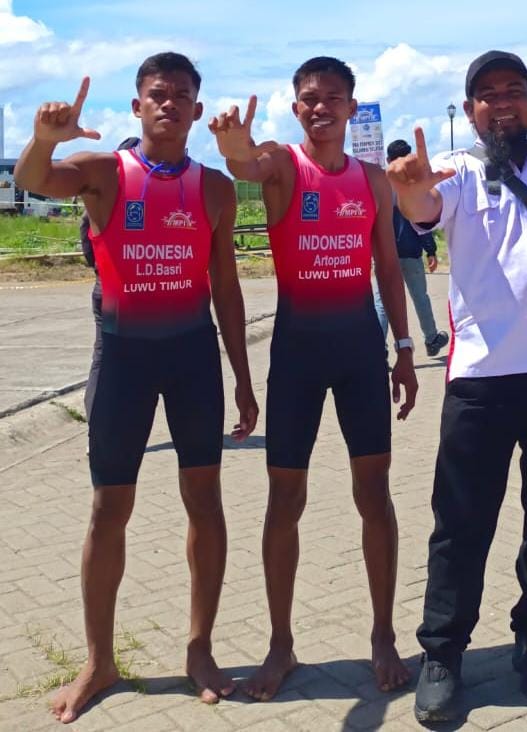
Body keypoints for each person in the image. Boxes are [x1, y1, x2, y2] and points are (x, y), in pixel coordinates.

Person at [14, 52, 259, 723]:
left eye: (181, 95)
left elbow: (227, 289)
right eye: (157, 93)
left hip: (192, 358)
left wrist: (243, 379)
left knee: (205, 502)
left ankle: (200, 649)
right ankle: (99, 660)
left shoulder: (215, 189)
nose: (168, 103)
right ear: (137, 106)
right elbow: (35, 180)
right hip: (122, 359)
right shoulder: (103, 172)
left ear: (197, 111)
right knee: (108, 509)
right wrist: (43, 138)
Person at [387, 50, 527, 722]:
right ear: (471, 109)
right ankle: (443, 653)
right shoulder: (456, 173)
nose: (500, 102)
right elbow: (423, 207)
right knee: (461, 521)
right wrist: (408, 191)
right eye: (486, 94)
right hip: (481, 376)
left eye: (513, 91)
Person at [209, 56, 418, 698]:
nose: (320, 106)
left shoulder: (372, 180)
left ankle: (383, 633)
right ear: (295, 106)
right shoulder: (281, 163)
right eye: (308, 98)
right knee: (285, 499)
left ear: (351, 106)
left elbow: (389, 268)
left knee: (374, 493)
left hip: (360, 350)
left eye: (332, 97)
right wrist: (233, 147)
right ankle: (281, 644)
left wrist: (404, 348)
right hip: (297, 352)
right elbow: (246, 166)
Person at [371, 139, 449, 357]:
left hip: (385, 253)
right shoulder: (415, 183)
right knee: (420, 297)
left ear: (388, 159)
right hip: (411, 251)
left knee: (382, 301)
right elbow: (423, 221)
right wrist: (431, 250)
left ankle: (378, 349)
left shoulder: (380, 184)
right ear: (409, 157)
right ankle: (431, 338)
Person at [80, 136, 139, 420]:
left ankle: (99, 422)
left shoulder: (99, 195)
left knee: (103, 357)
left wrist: (98, 267)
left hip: (105, 286)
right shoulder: (138, 194)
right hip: (128, 291)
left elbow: (85, 235)